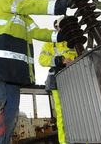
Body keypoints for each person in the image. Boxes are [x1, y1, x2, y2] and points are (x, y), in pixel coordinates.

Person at [0, 0, 68, 144]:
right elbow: (32, 5)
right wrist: (63, 4)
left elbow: (37, 32)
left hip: (13, 73)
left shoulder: (22, 15)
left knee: (10, 116)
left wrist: (60, 36)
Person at [39, 16, 78, 144]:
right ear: (57, 27)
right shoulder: (50, 43)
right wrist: (60, 60)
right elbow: (42, 60)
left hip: (75, 78)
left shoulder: (74, 40)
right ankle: (65, 142)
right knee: (62, 114)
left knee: (80, 109)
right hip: (58, 79)